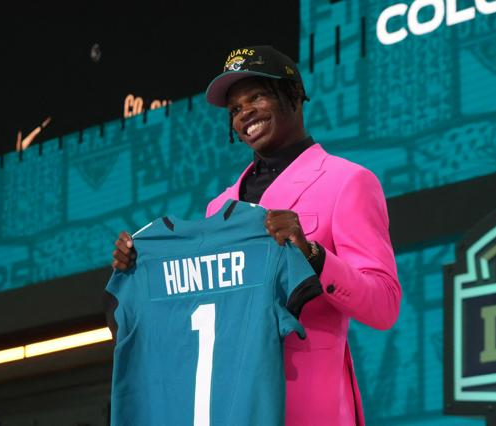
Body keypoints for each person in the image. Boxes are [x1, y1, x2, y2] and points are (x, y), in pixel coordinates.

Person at [112, 45, 401, 426]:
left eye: (257, 97)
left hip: (310, 408)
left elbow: (383, 305)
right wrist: (137, 268)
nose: (244, 113)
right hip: (232, 408)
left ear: (293, 94)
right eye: (235, 109)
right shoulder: (218, 207)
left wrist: (314, 255)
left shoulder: (347, 182)